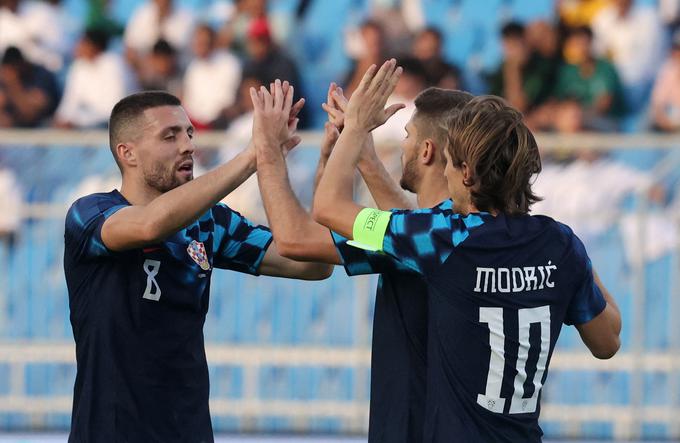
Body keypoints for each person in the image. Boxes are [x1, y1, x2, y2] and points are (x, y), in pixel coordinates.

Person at [312, 60, 621, 441]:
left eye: (451, 164)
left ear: (469, 173)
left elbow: (327, 207)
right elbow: (607, 342)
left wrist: (356, 129)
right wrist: (579, 260)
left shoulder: (445, 238)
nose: (443, 173)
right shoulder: (561, 244)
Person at [63, 90, 331, 442]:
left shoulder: (209, 224)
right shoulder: (90, 215)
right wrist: (255, 154)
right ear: (126, 153)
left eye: (189, 133)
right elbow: (149, 225)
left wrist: (324, 160)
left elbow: (313, 263)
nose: (187, 145)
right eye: (169, 136)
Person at [251, 78, 471, 442]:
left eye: (407, 136)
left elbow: (294, 239)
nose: (402, 145)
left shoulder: (426, 239)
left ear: (427, 151)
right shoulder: (452, 229)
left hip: (414, 428)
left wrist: (267, 150)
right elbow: (407, 228)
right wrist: (359, 156)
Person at [54, 28, 133, 128]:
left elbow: (115, 108)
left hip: (118, 124)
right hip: (89, 122)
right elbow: (70, 101)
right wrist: (62, 118)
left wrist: (78, 121)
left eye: (82, 43)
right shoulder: (78, 67)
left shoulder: (113, 64)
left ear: (94, 46)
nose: (77, 47)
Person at [0, 46, 60, 127]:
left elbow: (30, 114)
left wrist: (13, 85)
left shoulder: (41, 75)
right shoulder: (4, 78)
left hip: (44, 126)